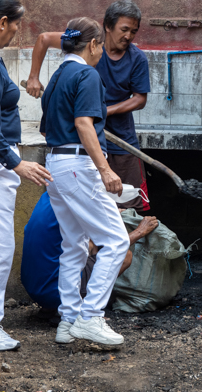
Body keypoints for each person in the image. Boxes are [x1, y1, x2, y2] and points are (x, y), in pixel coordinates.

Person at [41, 17, 129, 346]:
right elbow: (83, 123)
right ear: (92, 44)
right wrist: (105, 169)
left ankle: (68, 320)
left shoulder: (57, 76)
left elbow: (49, 128)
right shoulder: (87, 74)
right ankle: (91, 317)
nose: (101, 54)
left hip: (55, 162)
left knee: (73, 245)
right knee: (116, 241)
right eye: (100, 47)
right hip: (77, 163)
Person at [0, 0, 52, 351]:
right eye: (16, 24)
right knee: (0, 245)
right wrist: (14, 161)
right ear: (2, 22)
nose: (17, 31)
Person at [26, 0, 151, 212]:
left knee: (129, 204)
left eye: (134, 31)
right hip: (82, 148)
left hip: (120, 138)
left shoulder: (136, 58)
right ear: (107, 28)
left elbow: (140, 98)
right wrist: (33, 77)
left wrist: (102, 112)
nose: (128, 36)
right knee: (97, 210)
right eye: (124, 29)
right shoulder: (82, 49)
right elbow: (44, 38)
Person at [21, 192, 158, 327]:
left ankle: (51, 308)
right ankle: (85, 311)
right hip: (53, 291)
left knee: (84, 243)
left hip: (34, 287)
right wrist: (140, 231)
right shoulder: (82, 198)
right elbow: (113, 246)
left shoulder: (50, 196)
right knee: (124, 256)